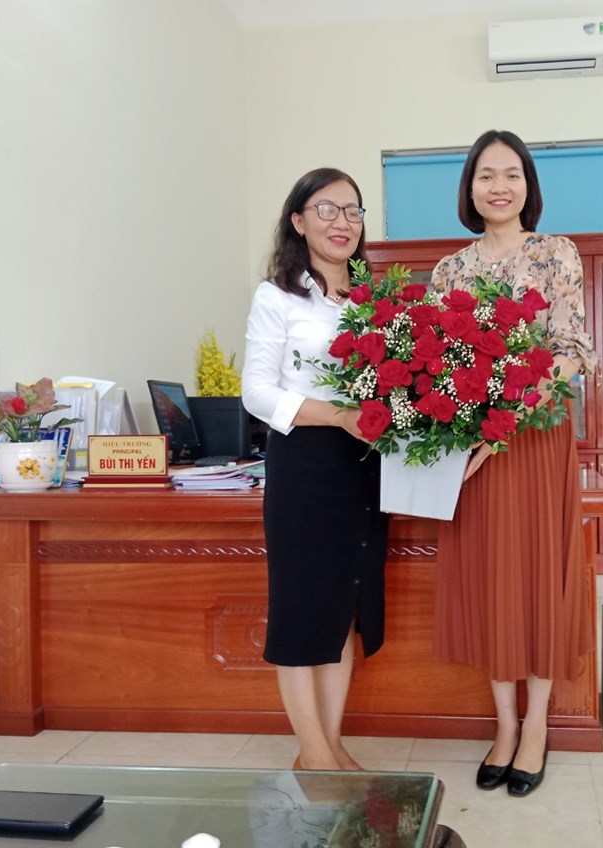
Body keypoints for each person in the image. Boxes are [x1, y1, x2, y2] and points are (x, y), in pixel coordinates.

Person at [431, 130, 596, 798]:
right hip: (473, 448)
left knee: (538, 576)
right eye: (485, 175)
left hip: (534, 440)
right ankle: (503, 725)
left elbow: (572, 349)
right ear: (469, 188)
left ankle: (536, 725)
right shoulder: (449, 271)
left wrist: (511, 416)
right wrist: (468, 427)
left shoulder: (556, 253)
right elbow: (436, 366)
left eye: (511, 174)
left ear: (528, 185)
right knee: (491, 578)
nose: (498, 187)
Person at [241, 167, 389, 771]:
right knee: (304, 611)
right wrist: (338, 416)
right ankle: (314, 754)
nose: (342, 222)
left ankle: (329, 747)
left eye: (353, 210)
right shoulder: (277, 297)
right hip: (304, 464)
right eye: (326, 209)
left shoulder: (374, 301)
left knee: (343, 609)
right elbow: (256, 392)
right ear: (298, 221)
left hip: (364, 466)